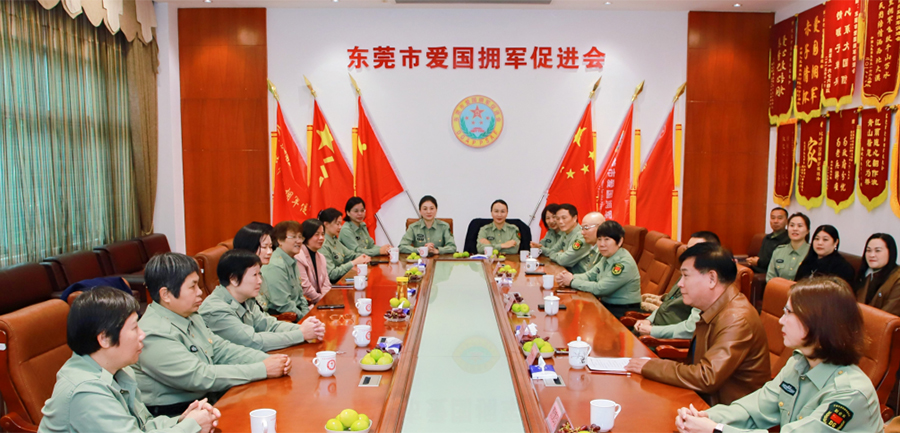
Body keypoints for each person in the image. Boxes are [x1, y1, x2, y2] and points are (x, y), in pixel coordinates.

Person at [675, 277, 884, 433]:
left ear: (819, 323)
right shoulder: (798, 363)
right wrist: (702, 417)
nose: (781, 321)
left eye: (789, 313)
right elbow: (754, 408)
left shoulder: (850, 393)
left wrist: (715, 429)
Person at [38, 287, 219, 433]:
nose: (142, 335)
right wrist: (192, 426)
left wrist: (182, 420)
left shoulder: (119, 371)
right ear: (104, 339)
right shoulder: (86, 391)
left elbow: (142, 425)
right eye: (134, 328)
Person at [133, 253, 291, 416]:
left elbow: (222, 349)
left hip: (208, 402)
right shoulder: (153, 332)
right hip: (177, 416)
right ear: (166, 294)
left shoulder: (190, 316)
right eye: (192, 287)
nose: (199, 292)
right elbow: (199, 376)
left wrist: (268, 360)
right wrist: (262, 369)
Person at [625, 243, 770, 406]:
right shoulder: (712, 308)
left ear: (712, 279)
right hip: (705, 400)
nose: (680, 284)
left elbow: (707, 377)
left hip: (728, 411)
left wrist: (652, 366)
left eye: (686, 276)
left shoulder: (736, 319)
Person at [198, 249, 325, 352]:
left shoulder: (246, 299)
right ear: (234, 279)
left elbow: (269, 325)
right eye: (255, 275)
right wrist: (301, 334)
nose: (259, 281)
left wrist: (305, 328)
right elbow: (253, 341)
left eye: (260, 274)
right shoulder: (216, 310)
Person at [634, 231, 720, 339]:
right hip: (653, 328)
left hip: (663, 340)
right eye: (687, 250)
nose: (688, 255)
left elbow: (690, 329)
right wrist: (648, 320)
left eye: (694, 251)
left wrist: (652, 331)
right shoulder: (687, 271)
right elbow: (667, 303)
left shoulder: (706, 285)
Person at [558, 220, 641, 318]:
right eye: (599, 239)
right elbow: (590, 275)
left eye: (607, 239)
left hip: (623, 312)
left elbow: (600, 289)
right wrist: (568, 277)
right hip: (606, 305)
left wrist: (572, 282)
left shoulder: (623, 263)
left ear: (620, 241)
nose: (601, 244)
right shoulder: (607, 256)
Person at [259, 220, 310, 319]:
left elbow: (300, 296)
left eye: (300, 237)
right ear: (280, 240)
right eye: (293, 237)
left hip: (298, 313)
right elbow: (283, 304)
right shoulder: (275, 265)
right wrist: (304, 318)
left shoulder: (292, 260)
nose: (299, 241)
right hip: (283, 318)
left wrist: (308, 315)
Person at [318, 208, 370, 284]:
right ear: (326, 224)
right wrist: (353, 263)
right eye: (337, 224)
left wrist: (363, 257)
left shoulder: (334, 240)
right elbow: (332, 274)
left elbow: (350, 255)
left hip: (341, 281)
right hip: (332, 286)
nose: (340, 227)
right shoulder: (322, 244)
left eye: (340, 224)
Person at [232, 222, 274, 311]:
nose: (269, 252)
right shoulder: (242, 278)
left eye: (270, 247)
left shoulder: (259, 272)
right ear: (249, 247)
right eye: (264, 247)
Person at [856, 233, 900, 317]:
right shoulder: (867, 274)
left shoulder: (897, 279)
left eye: (878, 251)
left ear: (890, 253)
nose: (872, 255)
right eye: (868, 250)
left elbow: (887, 316)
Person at [554, 212, 606, 281]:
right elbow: (589, 275)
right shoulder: (593, 248)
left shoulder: (606, 251)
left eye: (586, 228)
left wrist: (571, 280)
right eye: (582, 228)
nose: (582, 232)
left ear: (600, 228)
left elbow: (598, 282)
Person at [543, 204, 591, 271]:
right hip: (565, 272)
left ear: (574, 218)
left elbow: (563, 261)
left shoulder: (582, 236)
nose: (560, 222)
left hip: (579, 275)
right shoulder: (565, 233)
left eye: (564, 218)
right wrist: (561, 254)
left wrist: (560, 254)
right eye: (558, 219)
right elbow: (551, 251)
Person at [296, 219, 333, 304]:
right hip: (306, 303)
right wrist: (322, 300)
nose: (321, 238)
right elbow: (305, 288)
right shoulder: (299, 256)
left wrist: (326, 299)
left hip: (320, 302)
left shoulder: (321, 257)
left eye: (322, 234)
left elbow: (326, 285)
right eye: (317, 234)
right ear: (306, 236)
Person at [766, 213, 811, 282]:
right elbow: (770, 279)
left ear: (807, 230)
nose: (795, 229)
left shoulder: (812, 252)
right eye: (792, 225)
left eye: (800, 226)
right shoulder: (778, 251)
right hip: (779, 288)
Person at [746, 208, 789, 274]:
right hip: (756, 269)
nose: (775, 221)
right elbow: (762, 257)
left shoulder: (788, 239)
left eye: (780, 218)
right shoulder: (767, 237)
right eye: (773, 218)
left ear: (787, 221)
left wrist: (758, 262)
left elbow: (778, 263)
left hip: (769, 273)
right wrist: (753, 260)